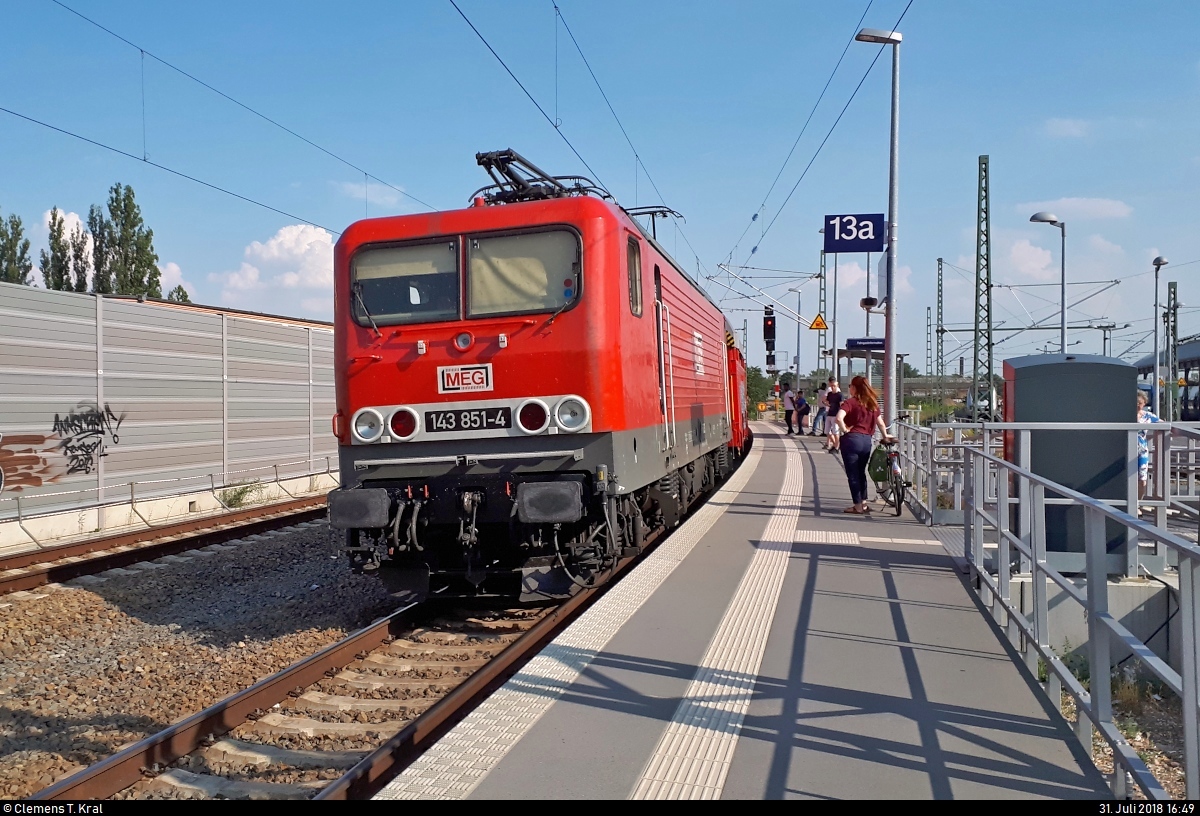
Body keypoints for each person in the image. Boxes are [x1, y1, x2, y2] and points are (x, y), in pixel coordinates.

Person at [836, 375, 895, 514]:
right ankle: (863, 504)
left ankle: (857, 507)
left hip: (852, 441)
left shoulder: (850, 402)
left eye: (850, 386)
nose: (849, 388)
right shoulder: (872, 404)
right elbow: (880, 423)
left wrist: (845, 430)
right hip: (866, 442)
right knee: (861, 473)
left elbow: (839, 418)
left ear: (855, 388)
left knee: (853, 475)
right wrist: (886, 436)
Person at [1137, 389, 1162, 501]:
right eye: (1136, 402)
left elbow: (1162, 424)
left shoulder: (1147, 416)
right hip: (1124, 449)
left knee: (1142, 479)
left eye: (1140, 403)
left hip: (1141, 450)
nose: (1138, 405)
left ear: (1144, 403)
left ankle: (1137, 503)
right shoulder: (1125, 415)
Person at [825, 378, 843, 453]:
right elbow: (826, 400)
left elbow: (841, 404)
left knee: (835, 431)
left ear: (837, 385)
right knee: (827, 431)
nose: (833, 387)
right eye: (831, 386)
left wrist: (841, 415)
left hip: (836, 414)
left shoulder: (840, 395)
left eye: (834, 386)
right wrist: (826, 404)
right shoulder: (830, 394)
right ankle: (836, 444)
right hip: (830, 413)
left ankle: (836, 446)